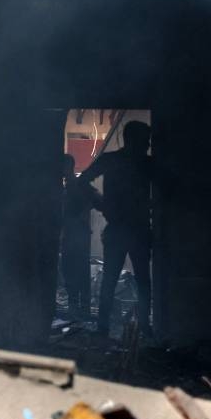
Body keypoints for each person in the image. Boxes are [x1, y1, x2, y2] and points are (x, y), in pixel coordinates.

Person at [79, 120, 153, 336]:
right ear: (133, 140)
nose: (147, 145)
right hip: (134, 229)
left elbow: (83, 181)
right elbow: (82, 181)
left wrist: (100, 202)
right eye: (145, 141)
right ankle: (143, 328)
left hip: (123, 228)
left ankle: (105, 328)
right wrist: (101, 202)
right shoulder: (144, 164)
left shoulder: (113, 160)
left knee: (113, 280)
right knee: (139, 280)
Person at [60, 155, 100, 319]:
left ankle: (82, 307)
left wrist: (81, 216)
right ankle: (75, 305)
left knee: (80, 270)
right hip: (71, 234)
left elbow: (94, 199)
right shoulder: (64, 187)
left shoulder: (78, 184)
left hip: (79, 234)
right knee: (69, 269)